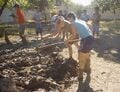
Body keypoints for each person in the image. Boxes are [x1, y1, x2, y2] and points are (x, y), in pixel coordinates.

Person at [67, 13, 94, 90]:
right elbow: (90, 26)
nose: (69, 21)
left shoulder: (73, 23)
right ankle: (88, 70)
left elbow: (74, 35)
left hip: (86, 40)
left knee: (81, 57)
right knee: (87, 54)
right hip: (91, 38)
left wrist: (67, 40)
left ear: (71, 17)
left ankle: (80, 77)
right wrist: (85, 36)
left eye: (68, 19)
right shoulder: (81, 20)